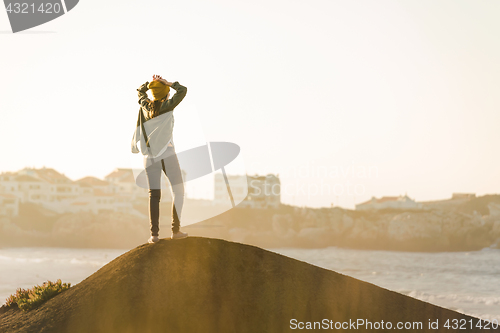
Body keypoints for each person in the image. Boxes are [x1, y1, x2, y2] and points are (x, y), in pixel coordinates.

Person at [131, 74, 188, 243]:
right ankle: (175, 231)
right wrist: (166, 83)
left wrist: (151, 84)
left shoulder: (145, 106)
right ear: (165, 94)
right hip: (167, 154)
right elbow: (183, 90)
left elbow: (140, 92)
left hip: (149, 157)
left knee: (154, 195)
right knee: (178, 191)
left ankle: (154, 236)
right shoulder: (167, 106)